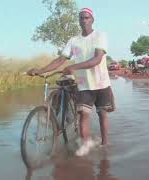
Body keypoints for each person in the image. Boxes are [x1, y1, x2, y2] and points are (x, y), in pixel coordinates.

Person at [27, 8, 115, 156]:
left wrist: (72, 67)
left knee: (102, 115)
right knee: (83, 115)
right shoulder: (74, 41)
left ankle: (105, 146)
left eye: (87, 18)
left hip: (101, 83)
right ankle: (85, 147)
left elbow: (97, 59)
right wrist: (41, 70)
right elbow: (61, 59)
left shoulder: (100, 36)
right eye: (81, 18)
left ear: (92, 19)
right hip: (84, 84)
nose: (84, 20)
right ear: (78, 21)